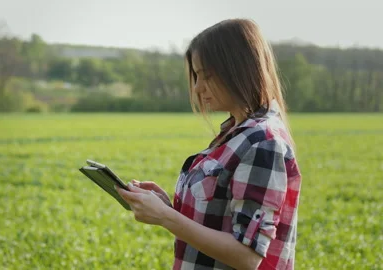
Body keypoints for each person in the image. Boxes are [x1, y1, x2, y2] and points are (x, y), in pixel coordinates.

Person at [116, 18, 302, 270]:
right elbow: (218, 220)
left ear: (239, 69)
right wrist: (167, 207)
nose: (197, 88)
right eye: (195, 76)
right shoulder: (236, 133)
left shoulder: (263, 142)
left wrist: (166, 217)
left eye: (207, 76)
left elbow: (247, 255)